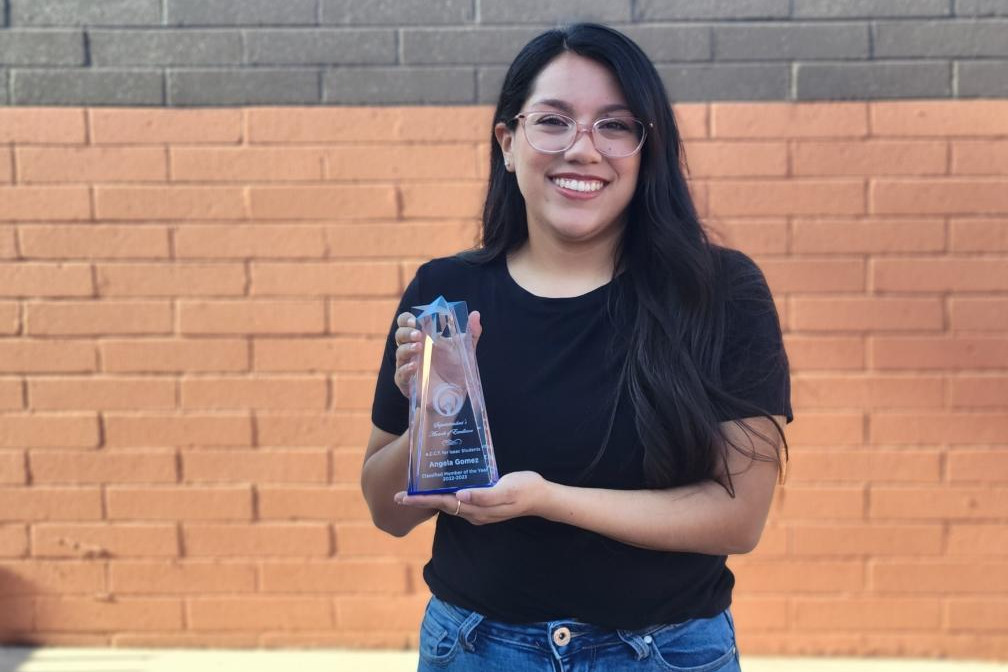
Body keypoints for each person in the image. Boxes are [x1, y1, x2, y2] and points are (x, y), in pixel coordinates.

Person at [362, 23, 792, 672]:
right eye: (553, 121)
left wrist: (547, 499)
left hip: (665, 653)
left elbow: (739, 517)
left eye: (615, 126)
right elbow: (386, 512)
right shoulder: (445, 293)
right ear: (508, 143)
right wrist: (433, 416)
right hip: (476, 649)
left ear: (648, 149)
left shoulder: (721, 292)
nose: (583, 149)